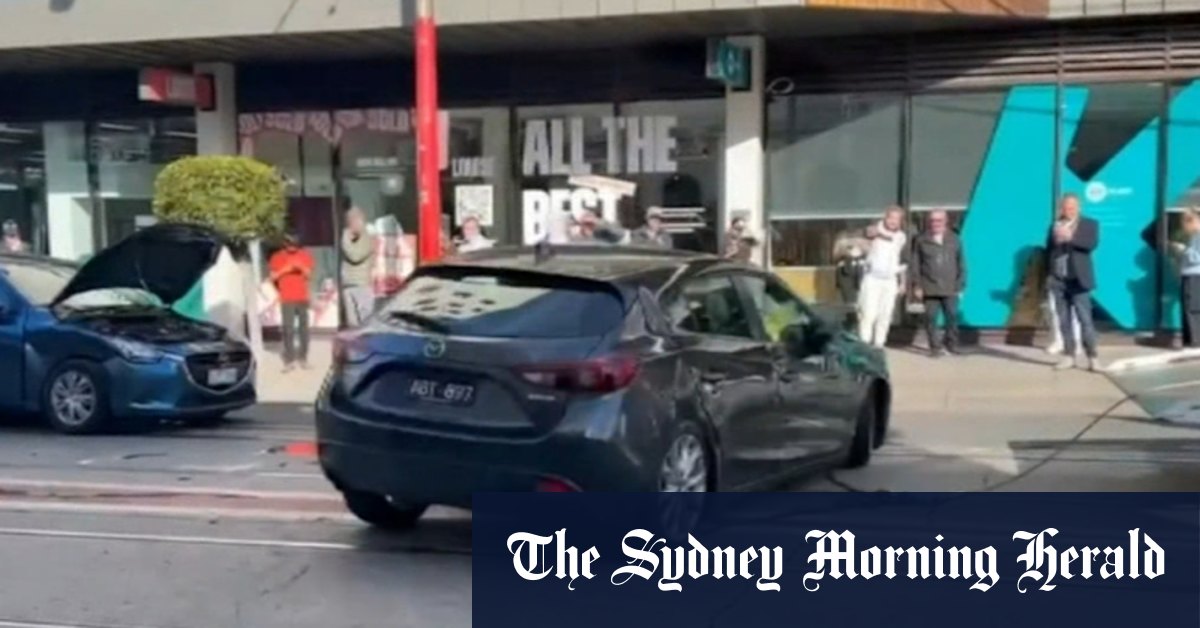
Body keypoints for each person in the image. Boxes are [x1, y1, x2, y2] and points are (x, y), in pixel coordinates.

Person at [1046, 193, 1100, 371]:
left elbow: (1091, 244)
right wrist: (1050, 274)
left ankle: (1093, 357)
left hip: (1079, 279)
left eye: (1072, 207)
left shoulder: (1089, 224)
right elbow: (1049, 250)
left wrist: (1071, 238)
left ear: (1079, 207)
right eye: (1066, 207)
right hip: (1059, 280)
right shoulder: (1054, 226)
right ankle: (1069, 356)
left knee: (1085, 319)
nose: (1069, 210)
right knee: (1064, 321)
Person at [912, 210, 966, 357]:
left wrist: (961, 284)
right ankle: (934, 348)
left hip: (951, 287)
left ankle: (951, 345)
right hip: (929, 286)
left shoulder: (955, 239)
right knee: (930, 317)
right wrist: (917, 285)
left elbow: (961, 263)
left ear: (945, 221)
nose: (935, 223)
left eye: (939, 220)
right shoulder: (921, 240)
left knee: (952, 316)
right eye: (933, 220)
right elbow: (915, 264)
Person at [858, 206, 908, 349]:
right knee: (868, 313)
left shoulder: (902, 237)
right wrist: (883, 235)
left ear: (900, 221)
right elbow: (869, 232)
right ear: (885, 218)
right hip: (872, 278)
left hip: (890, 280)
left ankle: (879, 343)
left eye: (897, 219)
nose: (893, 221)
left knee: (885, 314)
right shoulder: (875, 229)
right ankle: (864, 343)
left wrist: (903, 283)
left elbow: (902, 262)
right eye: (890, 217)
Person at [268, 232, 314, 372]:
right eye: (290, 245)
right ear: (285, 244)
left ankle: (303, 358)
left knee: (304, 329)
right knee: (288, 329)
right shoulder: (277, 257)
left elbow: (309, 275)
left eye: (295, 245)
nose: (293, 248)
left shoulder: (304, 255)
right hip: (287, 298)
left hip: (302, 297)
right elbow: (272, 277)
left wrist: (300, 267)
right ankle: (290, 360)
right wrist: (286, 269)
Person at [340, 206, 376, 327]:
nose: (350, 225)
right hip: (348, 286)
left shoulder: (367, 238)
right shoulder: (351, 239)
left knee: (365, 321)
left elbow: (355, 256)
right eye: (349, 221)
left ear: (360, 221)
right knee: (352, 324)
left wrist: (345, 237)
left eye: (353, 221)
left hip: (361, 286)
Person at [1175, 208, 1200, 348]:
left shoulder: (1198, 236)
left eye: (1184, 223)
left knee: (1192, 307)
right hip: (1191, 274)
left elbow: (1196, 257)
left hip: (1195, 274)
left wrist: (1182, 249)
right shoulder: (1195, 237)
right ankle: (1190, 338)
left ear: (1191, 222)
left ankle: (1195, 340)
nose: (1183, 228)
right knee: (1188, 306)